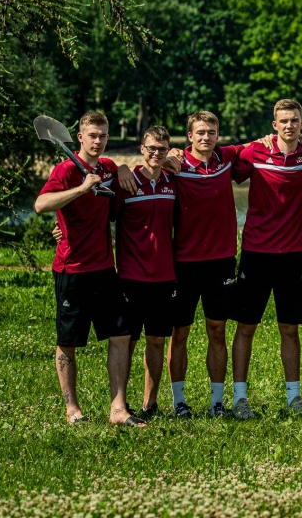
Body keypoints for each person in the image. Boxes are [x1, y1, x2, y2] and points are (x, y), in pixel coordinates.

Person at [34, 111, 142, 426]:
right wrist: (81, 189)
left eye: (103, 135)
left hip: (105, 269)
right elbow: (41, 205)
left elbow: (114, 208)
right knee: (68, 340)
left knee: (121, 333)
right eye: (92, 135)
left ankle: (118, 408)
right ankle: (72, 410)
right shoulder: (66, 170)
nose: (98, 141)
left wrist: (122, 166)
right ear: (79, 137)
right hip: (72, 269)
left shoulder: (108, 168)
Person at [229, 100, 302, 419]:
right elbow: (223, 160)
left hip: (293, 256)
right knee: (246, 327)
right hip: (256, 252)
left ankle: (294, 397)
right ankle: (240, 398)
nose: (289, 125)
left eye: (295, 120)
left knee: (289, 329)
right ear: (274, 124)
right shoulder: (255, 152)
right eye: (284, 120)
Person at [164, 111, 250, 418]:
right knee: (180, 333)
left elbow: (263, 144)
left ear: (218, 135)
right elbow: (141, 178)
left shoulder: (226, 159)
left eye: (211, 132)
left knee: (217, 330)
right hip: (183, 263)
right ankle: (178, 402)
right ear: (189, 136)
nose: (206, 137)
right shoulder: (175, 165)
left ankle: (217, 402)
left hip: (221, 262)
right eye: (200, 132)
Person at [113, 125, 178, 419]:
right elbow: (95, 214)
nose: (156, 153)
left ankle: (149, 404)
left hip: (164, 276)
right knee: (127, 340)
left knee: (157, 340)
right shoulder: (125, 182)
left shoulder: (173, 182)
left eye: (161, 149)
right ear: (142, 149)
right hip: (130, 276)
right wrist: (61, 230)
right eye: (151, 148)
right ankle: (120, 403)